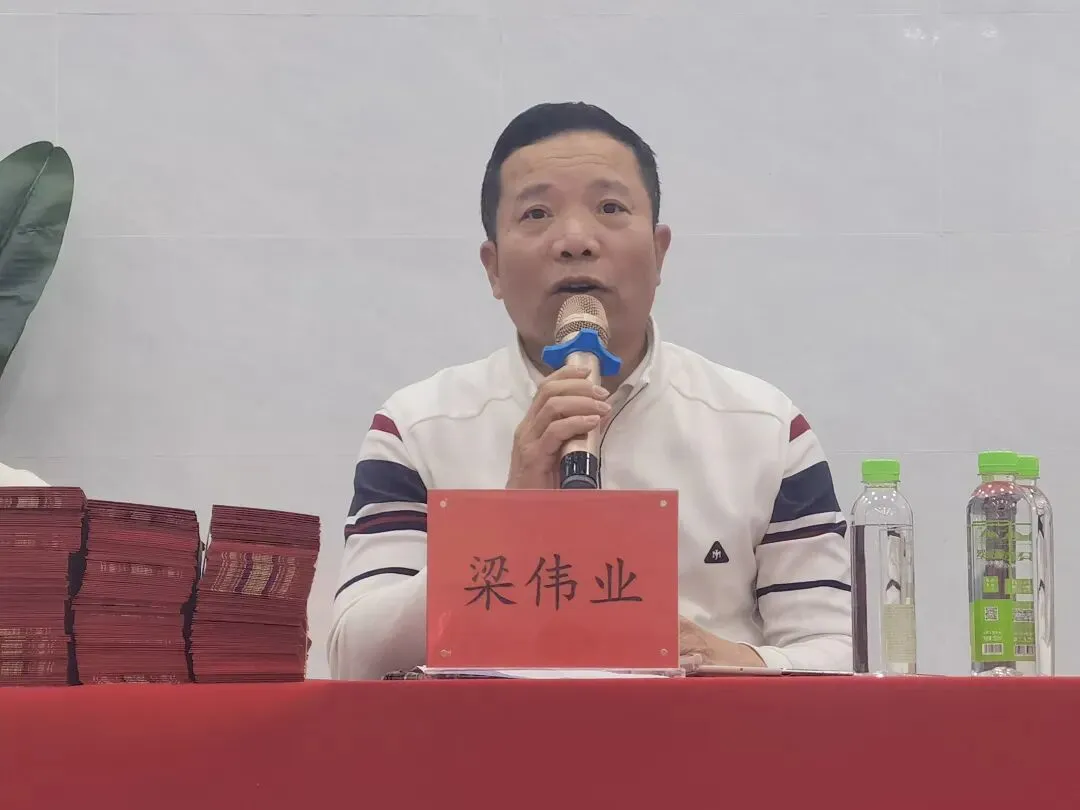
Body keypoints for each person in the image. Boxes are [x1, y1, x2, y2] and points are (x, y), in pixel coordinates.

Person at [328, 102, 851, 680]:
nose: (575, 240)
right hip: (488, 738)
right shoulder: (416, 427)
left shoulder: (764, 427)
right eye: (536, 213)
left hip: (703, 735)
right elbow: (355, 658)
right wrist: (505, 523)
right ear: (493, 268)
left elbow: (838, 652)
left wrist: (730, 658)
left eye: (609, 208)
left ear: (660, 254)